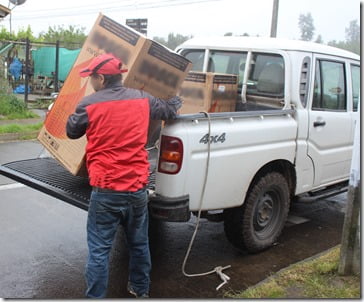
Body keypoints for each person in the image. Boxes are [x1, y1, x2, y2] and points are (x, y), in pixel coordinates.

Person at [66, 53, 182, 298]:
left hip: (106, 191)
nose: (91, 83)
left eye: (91, 78)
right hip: (137, 189)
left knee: (99, 250)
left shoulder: (89, 104)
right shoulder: (142, 99)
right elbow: (169, 111)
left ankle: (95, 297)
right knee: (139, 244)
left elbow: (72, 132)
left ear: (100, 78)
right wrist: (176, 100)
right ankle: (140, 291)